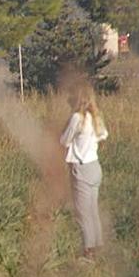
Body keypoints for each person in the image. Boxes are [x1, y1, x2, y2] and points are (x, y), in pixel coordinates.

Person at [60, 89, 109, 260]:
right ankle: (98, 245)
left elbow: (64, 140)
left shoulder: (77, 118)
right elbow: (104, 135)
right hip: (95, 166)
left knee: (83, 213)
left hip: (80, 168)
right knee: (93, 210)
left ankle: (88, 251)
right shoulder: (96, 117)